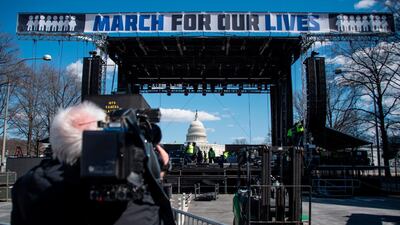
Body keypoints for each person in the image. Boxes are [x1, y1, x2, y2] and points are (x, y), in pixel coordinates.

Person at [11, 102, 174, 225]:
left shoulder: (27, 188)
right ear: (104, 139)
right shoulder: (135, 202)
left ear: (55, 142)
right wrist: (156, 175)